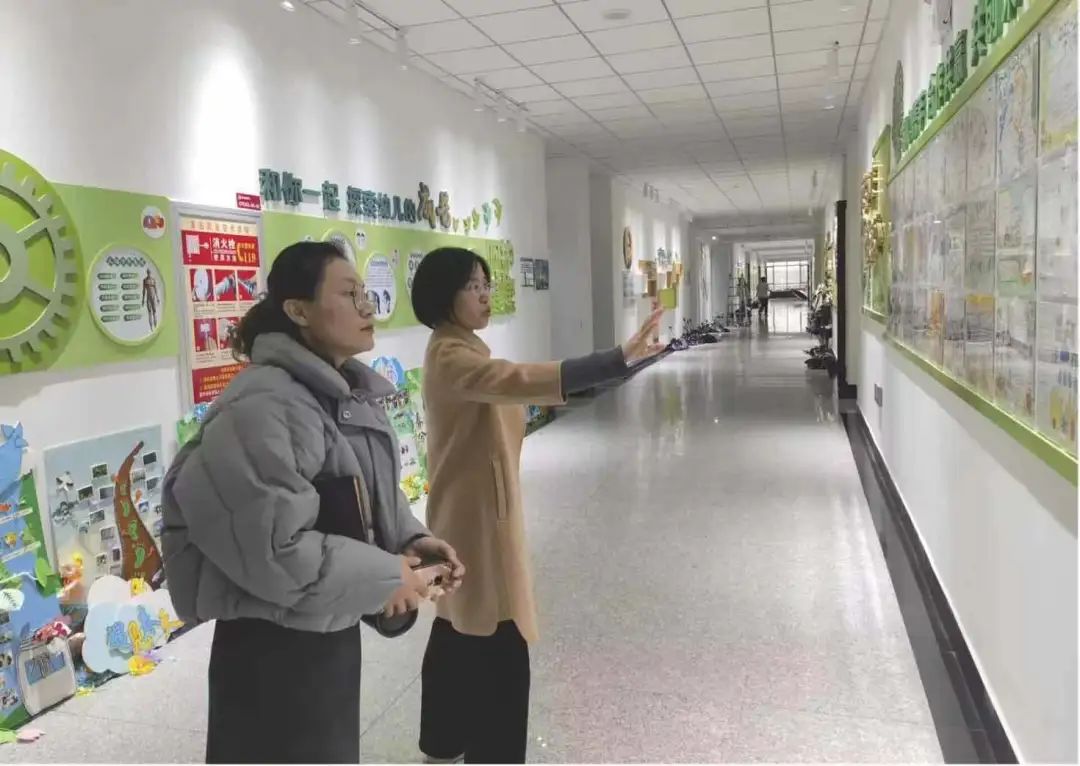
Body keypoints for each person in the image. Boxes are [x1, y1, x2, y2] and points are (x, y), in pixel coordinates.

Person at [162, 241, 464, 764]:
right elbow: (275, 550)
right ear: (298, 311)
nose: (368, 307)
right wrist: (386, 573)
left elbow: (362, 491)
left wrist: (410, 542)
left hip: (324, 627)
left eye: (365, 292)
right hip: (271, 654)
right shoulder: (265, 405)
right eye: (349, 294)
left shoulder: (340, 394)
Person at [410, 247, 665, 764]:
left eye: (487, 284)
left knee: (458, 621)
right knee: (500, 633)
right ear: (443, 296)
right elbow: (517, 380)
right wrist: (615, 359)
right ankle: (493, 752)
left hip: (470, 510)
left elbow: (513, 387)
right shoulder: (451, 356)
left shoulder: (464, 349)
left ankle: (442, 738)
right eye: (473, 287)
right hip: (478, 521)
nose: (486, 295)